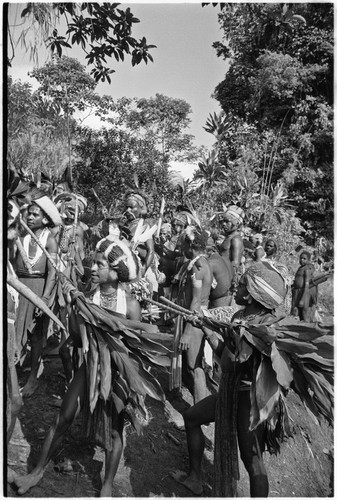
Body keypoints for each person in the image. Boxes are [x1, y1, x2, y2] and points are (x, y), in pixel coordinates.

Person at [13, 236, 168, 497]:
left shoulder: (130, 306)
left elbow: (136, 347)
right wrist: (77, 309)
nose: (93, 268)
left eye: (99, 264)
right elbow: (75, 339)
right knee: (63, 417)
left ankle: (107, 484)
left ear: (116, 271)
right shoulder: (87, 298)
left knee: (115, 432)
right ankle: (36, 471)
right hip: (88, 366)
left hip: (117, 374)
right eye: (92, 263)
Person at [171, 261, 288, 497]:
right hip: (234, 391)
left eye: (243, 284)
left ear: (255, 294)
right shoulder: (243, 316)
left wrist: (210, 331)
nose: (237, 287)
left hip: (251, 399)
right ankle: (195, 479)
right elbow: (227, 353)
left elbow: (227, 363)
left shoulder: (255, 327)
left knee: (253, 461)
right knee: (192, 418)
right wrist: (206, 327)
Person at [14, 196, 62, 396]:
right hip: (18, 289)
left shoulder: (49, 240)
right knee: (13, 332)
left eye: (36, 214)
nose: (30, 217)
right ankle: (12, 375)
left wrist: (43, 299)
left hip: (39, 290)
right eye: (29, 213)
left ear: (45, 219)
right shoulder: (19, 238)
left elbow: (52, 273)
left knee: (36, 336)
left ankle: (33, 378)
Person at [170, 226, 212, 404]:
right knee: (192, 365)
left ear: (191, 245)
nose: (181, 248)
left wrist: (187, 332)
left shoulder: (197, 267)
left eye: (183, 244)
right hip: (193, 316)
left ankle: (200, 410)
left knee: (194, 366)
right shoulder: (200, 262)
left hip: (194, 318)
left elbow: (195, 300)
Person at [217, 205, 245, 301]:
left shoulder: (236, 239)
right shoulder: (229, 237)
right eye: (223, 221)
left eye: (227, 221)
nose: (224, 224)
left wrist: (231, 283)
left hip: (226, 280)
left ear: (236, 223)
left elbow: (235, 263)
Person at [291, 250, 317, 322]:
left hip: (304, 293)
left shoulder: (307, 269)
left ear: (308, 260)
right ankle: (304, 328)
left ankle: (308, 327)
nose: (301, 260)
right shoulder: (300, 268)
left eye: (304, 259)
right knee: (300, 313)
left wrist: (302, 299)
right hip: (298, 292)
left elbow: (306, 285)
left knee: (304, 311)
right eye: (300, 258)